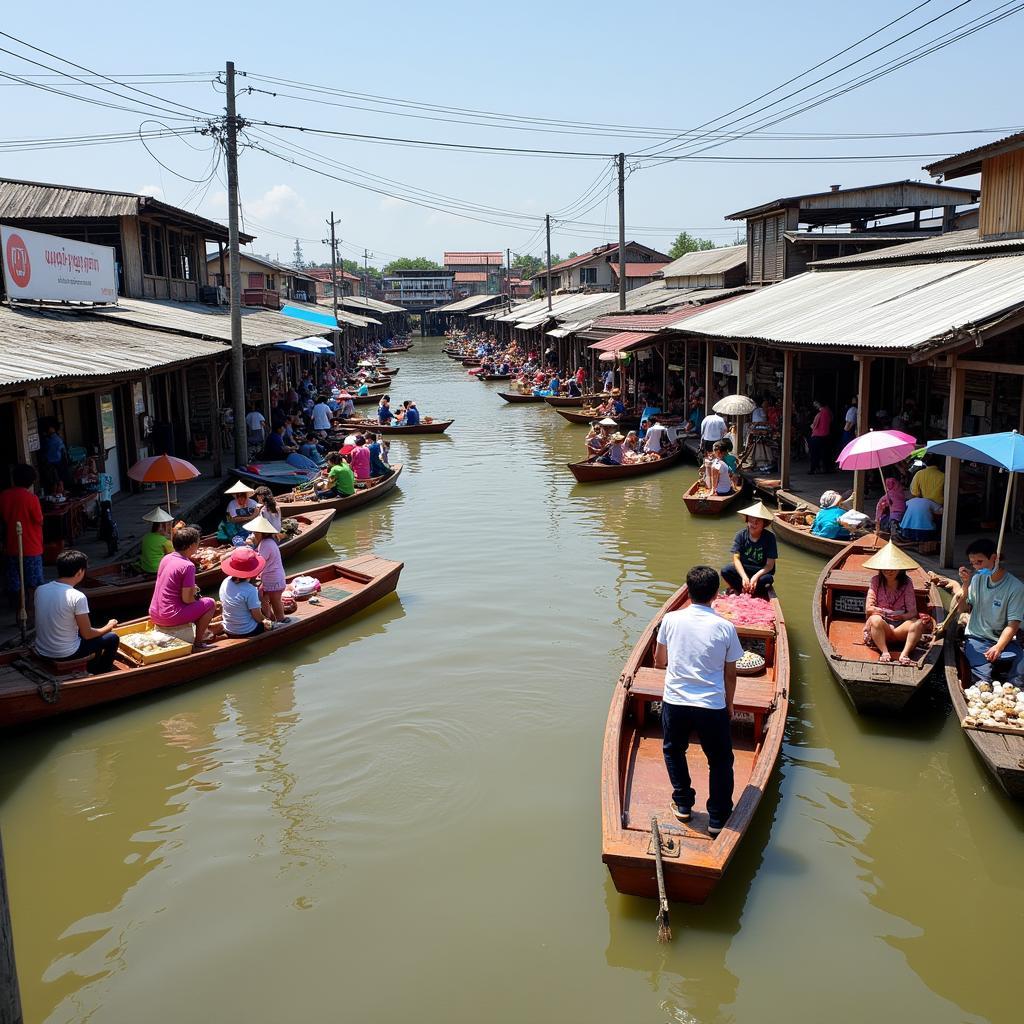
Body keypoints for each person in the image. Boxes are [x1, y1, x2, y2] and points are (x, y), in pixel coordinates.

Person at [655, 564, 743, 836]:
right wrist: (729, 704)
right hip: (711, 705)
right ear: (715, 594)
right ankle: (717, 819)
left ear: (688, 591)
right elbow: (730, 675)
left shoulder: (670, 620)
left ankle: (682, 804)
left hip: (676, 701)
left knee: (673, 750)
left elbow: (659, 662)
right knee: (719, 761)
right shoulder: (725, 627)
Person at [937, 538, 1024, 684]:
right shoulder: (977, 579)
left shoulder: (1016, 588)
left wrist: (999, 646)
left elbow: (1013, 624)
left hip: (1003, 639)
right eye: (973, 563)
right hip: (977, 637)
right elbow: (963, 609)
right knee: (982, 679)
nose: (976, 567)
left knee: (1020, 671)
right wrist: (965, 584)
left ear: (994, 558)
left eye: (980, 562)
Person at [34, 548, 120, 673]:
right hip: (65, 653)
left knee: (90, 632)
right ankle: (102, 672)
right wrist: (109, 626)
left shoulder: (40, 589)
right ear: (80, 572)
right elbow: (87, 634)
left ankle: (91, 664)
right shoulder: (77, 596)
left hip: (42, 650)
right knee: (112, 638)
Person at [149, 526, 217, 647]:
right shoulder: (188, 566)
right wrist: (196, 596)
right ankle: (199, 642)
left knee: (199, 602)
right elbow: (187, 599)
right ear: (191, 546)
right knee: (211, 603)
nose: (198, 545)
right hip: (170, 616)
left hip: (154, 613)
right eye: (197, 543)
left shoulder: (166, 558)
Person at [862, 543, 926, 666]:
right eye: (885, 568)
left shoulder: (907, 582)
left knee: (918, 624)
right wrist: (880, 612)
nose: (889, 571)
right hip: (882, 626)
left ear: (900, 569)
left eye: (893, 568)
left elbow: (912, 611)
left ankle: (904, 654)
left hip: (900, 627)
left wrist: (901, 617)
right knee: (875, 619)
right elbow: (868, 608)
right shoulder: (875, 581)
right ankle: (884, 652)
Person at [0, 463, 45, 620]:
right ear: (32, 481)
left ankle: (20, 611)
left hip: (11, 545)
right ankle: (31, 613)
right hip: (31, 546)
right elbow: (39, 520)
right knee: (33, 583)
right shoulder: (31, 499)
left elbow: (4, 519)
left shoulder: (4, 496)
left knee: (16, 582)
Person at [722, 502, 778, 598]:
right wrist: (744, 577)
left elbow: (769, 565)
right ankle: (742, 589)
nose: (754, 524)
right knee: (726, 570)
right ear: (747, 520)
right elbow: (736, 558)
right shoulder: (741, 535)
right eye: (751, 520)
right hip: (744, 569)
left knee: (767, 579)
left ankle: (748, 590)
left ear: (764, 523)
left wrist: (755, 577)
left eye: (758, 521)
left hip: (761, 571)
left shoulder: (770, 537)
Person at [219, 548, 273, 638]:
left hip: (228, 628)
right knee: (270, 624)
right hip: (246, 630)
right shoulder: (250, 590)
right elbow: (257, 617)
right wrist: (266, 620)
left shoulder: (225, 581)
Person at [244, 514, 288, 624]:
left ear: (262, 533)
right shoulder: (265, 543)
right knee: (263, 597)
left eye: (255, 533)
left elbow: (260, 561)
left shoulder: (266, 544)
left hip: (273, 577)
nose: (254, 535)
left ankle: (281, 619)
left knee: (275, 600)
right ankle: (270, 617)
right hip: (269, 576)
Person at [139, 507, 175, 574]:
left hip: (145, 567)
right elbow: (173, 556)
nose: (169, 528)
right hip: (157, 569)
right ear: (161, 527)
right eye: (168, 525)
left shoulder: (146, 536)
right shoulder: (165, 541)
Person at [808, 399, 832, 474]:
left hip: (817, 436)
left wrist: (812, 426)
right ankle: (826, 468)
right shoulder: (828, 412)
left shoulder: (820, 413)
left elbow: (814, 426)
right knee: (825, 454)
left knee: (814, 454)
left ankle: (813, 469)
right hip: (826, 435)